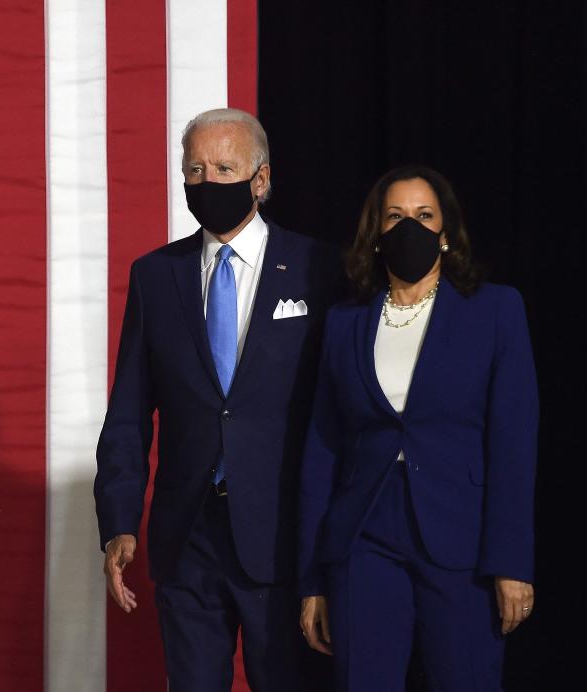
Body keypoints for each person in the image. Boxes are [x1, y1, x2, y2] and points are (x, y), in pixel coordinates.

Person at [94, 107, 342, 691]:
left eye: (224, 168)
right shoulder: (156, 276)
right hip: (188, 537)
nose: (207, 182)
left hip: (284, 539)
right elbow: (128, 411)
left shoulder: (319, 269)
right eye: (195, 170)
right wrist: (119, 522)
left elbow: (339, 412)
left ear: (260, 180)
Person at [298, 164, 538, 691]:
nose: (411, 226)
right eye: (396, 216)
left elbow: (514, 446)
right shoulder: (344, 322)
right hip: (364, 539)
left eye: (424, 216)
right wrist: (312, 578)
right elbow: (323, 450)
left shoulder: (496, 311)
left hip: (462, 543)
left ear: (446, 234)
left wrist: (512, 564)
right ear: (377, 235)